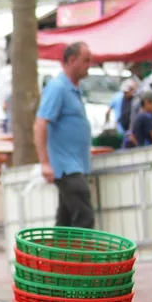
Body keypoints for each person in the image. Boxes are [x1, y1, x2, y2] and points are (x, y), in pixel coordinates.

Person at [35, 42, 95, 228]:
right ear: (72, 60)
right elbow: (40, 124)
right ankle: (79, 257)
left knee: (66, 221)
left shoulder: (74, 89)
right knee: (84, 217)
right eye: (86, 61)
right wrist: (45, 162)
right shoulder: (58, 87)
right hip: (66, 167)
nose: (89, 65)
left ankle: (56, 256)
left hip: (76, 164)